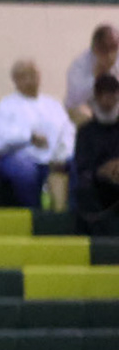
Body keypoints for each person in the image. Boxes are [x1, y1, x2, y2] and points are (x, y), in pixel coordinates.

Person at [0, 59, 76, 211]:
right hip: (23, 157)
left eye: (34, 74)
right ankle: (34, 213)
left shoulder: (52, 105)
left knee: (78, 164)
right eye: (24, 75)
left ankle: (67, 216)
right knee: (24, 170)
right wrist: (28, 137)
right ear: (15, 79)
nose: (30, 79)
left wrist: (62, 154)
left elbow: (68, 132)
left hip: (54, 158)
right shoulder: (7, 105)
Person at [75, 74, 119, 232]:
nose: (108, 100)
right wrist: (101, 172)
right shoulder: (86, 132)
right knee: (83, 189)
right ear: (97, 98)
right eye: (104, 95)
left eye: (112, 95)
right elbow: (82, 166)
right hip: (96, 185)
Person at [66, 24, 119, 123]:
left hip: (114, 111)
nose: (111, 54)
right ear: (95, 47)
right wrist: (95, 77)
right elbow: (74, 100)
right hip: (90, 114)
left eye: (114, 48)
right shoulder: (79, 65)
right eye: (106, 49)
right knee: (81, 113)